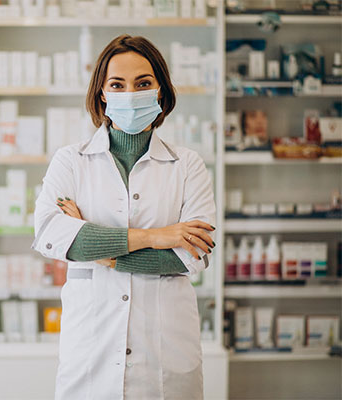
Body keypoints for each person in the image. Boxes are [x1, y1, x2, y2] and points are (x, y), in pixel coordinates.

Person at [31, 34, 217, 400]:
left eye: (143, 84)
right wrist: (158, 236)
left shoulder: (188, 166)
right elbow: (52, 235)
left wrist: (102, 252)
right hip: (91, 358)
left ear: (160, 91)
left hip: (166, 358)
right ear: (102, 93)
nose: (130, 94)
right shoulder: (72, 161)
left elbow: (192, 255)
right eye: (117, 84)